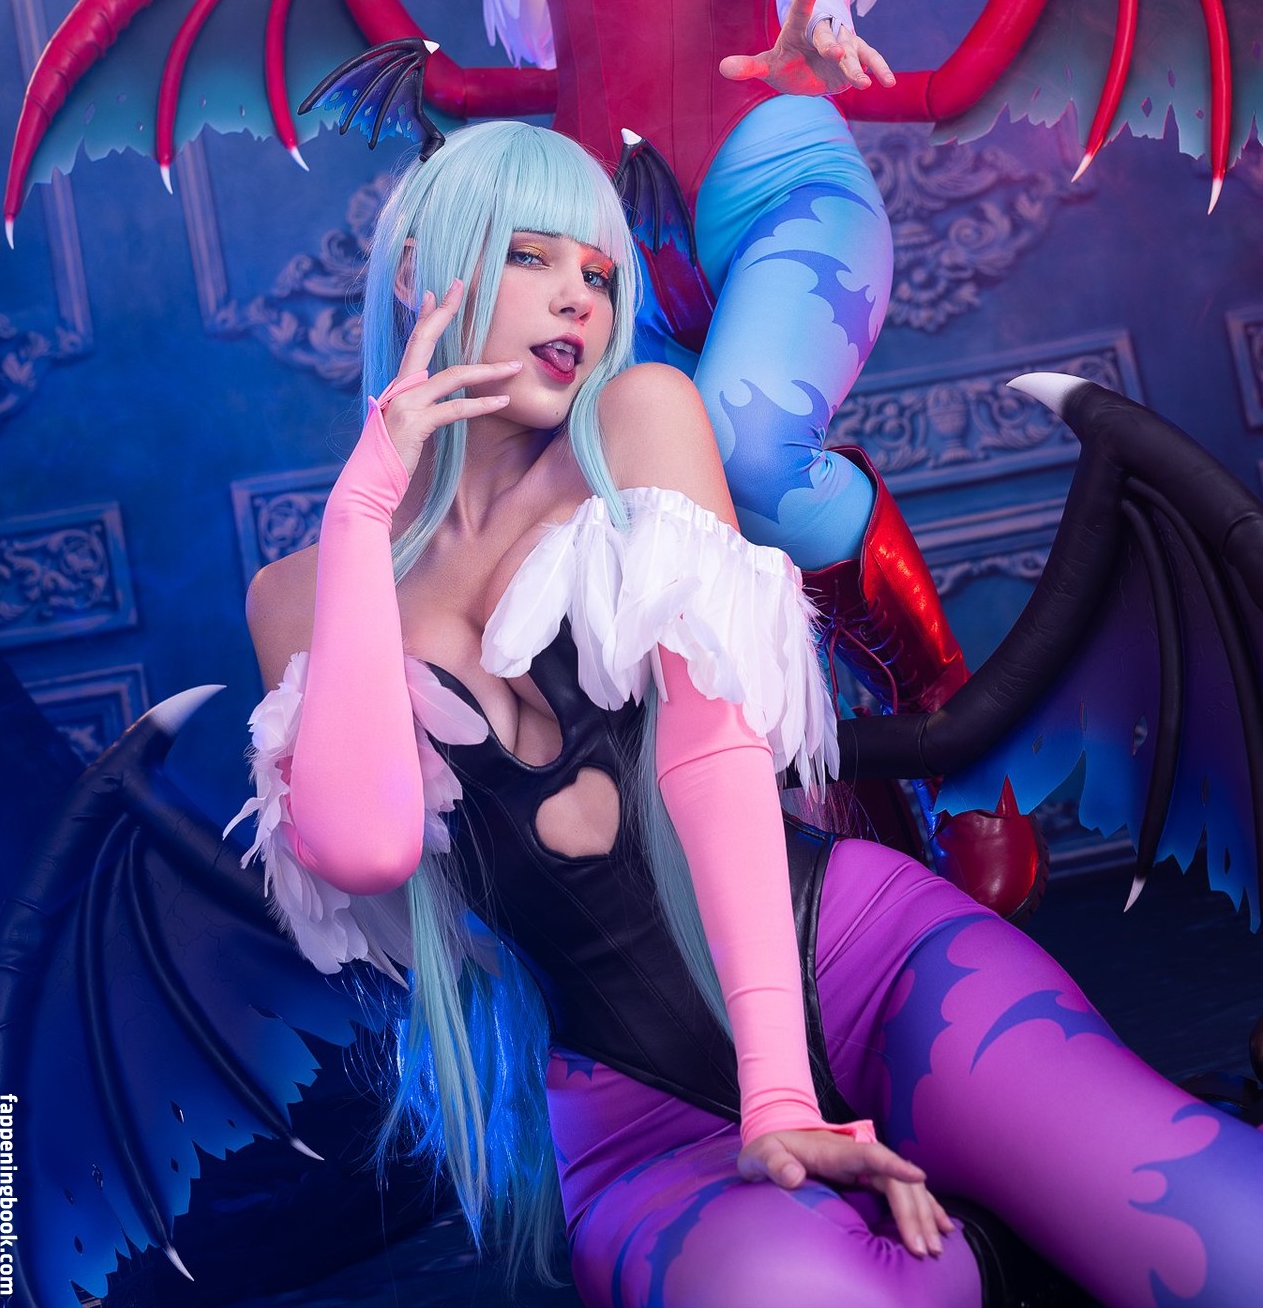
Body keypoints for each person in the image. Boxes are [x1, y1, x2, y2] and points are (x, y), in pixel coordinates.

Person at [158, 0, 1040, 912]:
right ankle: (822, 826)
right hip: (607, 247)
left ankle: (951, 725)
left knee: (745, 457)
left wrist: (816, 2)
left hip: (780, 190)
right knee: (641, 539)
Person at [234, 118, 1260, 1308]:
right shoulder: (300, 596)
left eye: (600, 274)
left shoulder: (636, 422)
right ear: (420, 268)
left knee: (1223, 1247)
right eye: (532, 256)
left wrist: (780, 1093)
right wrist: (362, 510)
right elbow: (364, 849)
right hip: (631, 1113)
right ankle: (996, 1243)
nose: (577, 299)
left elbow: (712, 750)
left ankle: (1006, 1202)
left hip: (865, 966)